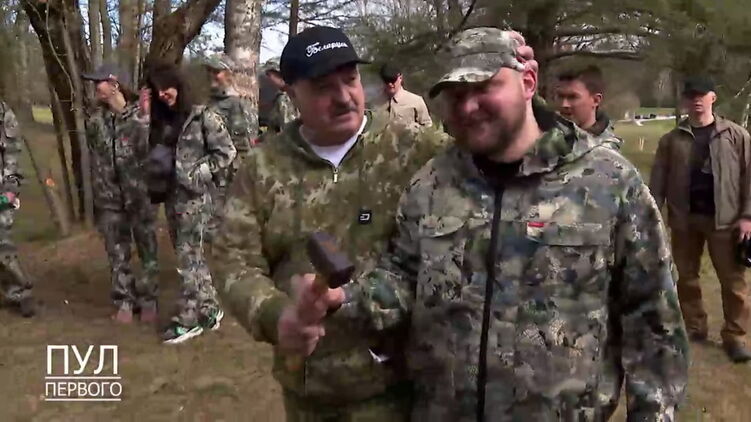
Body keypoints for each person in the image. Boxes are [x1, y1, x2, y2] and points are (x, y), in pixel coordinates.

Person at [283, 27, 689, 421]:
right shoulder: (431, 184)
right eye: (456, 95)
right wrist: (344, 299)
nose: (468, 106)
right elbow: (403, 278)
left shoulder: (608, 183)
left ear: (528, 83)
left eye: (484, 87)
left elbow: (654, 320)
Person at [214, 25, 526, 420]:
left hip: (405, 387)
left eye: (350, 79)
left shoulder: (416, 149)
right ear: (291, 94)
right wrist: (276, 316)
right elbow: (233, 260)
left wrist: (520, 86)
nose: (344, 97)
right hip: (313, 391)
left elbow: (511, 149)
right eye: (323, 88)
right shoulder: (263, 168)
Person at [650, 75, 751, 363]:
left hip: (726, 221)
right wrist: (652, 216)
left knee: (733, 282)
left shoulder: (736, 135)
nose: (696, 100)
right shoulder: (671, 140)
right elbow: (657, 181)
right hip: (684, 220)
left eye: (702, 94)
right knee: (687, 278)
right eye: (691, 95)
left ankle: (735, 336)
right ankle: (694, 328)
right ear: (684, 100)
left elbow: (749, 178)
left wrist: (747, 216)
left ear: (712, 98)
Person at [144, 64, 236, 344]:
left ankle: (189, 318)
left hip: (195, 198)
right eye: (157, 90)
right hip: (171, 197)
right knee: (192, 256)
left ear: (179, 85)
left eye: (166, 87)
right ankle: (209, 310)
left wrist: (199, 172)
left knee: (188, 258)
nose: (163, 94)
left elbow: (226, 153)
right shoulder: (162, 120)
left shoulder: (203, 116)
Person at [82, 63, 159, 324]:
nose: (95, 87)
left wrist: (145, 120)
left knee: (147, 249)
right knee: (117, 252)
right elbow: (96, 156)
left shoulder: (141, 115)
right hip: (109, 198)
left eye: (99, 82)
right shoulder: (96, 121)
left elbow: (152, 149)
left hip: (140, 195)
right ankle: (124, 300)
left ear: (114, 85)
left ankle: (149, 299)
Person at [202, 54, 257, 239]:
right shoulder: (209, 100)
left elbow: (240, 141)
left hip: (226, 173)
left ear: (227, 74)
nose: (212, 75)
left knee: (222, 224)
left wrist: (242, 173)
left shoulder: (234, 103)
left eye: (216, 71)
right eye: (209, 71)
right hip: (208, 170)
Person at [0, 100, 34, 318]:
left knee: (2, 245)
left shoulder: (3, 113)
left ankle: (20, 292)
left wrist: (10, 186)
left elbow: (12, 152)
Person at [554, 65, 621, 149]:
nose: (564, 104)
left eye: (572, 97)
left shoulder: (604, 149)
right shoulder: (547, 136)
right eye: (560, 96)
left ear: (596, 100)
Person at [376, 63, 433, 127]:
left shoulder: (416, 101)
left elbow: (427, 127)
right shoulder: (374, 103)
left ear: (400, 78)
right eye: (386, 80)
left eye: (393, 80)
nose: (390, 84)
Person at [262, 57, 298, 133]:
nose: (269, 79)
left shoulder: (285, 98)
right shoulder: (280, 98)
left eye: (269, 75)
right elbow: (273, 128)